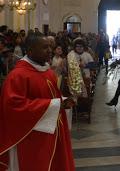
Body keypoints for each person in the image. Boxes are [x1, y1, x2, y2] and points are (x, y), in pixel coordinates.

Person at [0, 32, 75, 170]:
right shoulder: (17, 76)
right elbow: (13, 107)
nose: (49, 51)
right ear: (30, 51)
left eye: (50, 47)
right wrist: (55, 105)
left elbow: (51, 98)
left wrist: (63, 101)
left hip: (52, 132)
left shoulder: (47, 72)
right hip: (30, 138)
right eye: (45, 47)